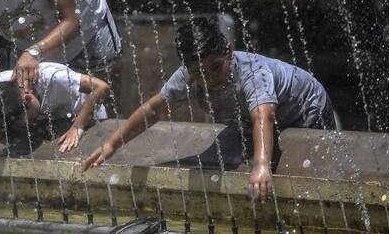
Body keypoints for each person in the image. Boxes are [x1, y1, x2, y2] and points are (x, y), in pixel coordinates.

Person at [83, 17, 335, 202]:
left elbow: (263, 116)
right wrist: (112, 144)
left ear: (228, 51)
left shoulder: (253, 73)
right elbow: (153, 110)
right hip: (253, 121)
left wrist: (261, 165)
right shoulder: (186, 77)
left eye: (215, 67)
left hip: (306, 109)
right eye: (198, 73)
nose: (208, 78)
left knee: (303, 166)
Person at [0, 62, 111, 155]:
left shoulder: (55, 78)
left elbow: (102, 87)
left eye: (29, 119)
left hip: (87, 113)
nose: (29, 123)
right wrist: (0, 124)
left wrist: (78, 126)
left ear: (28, 98)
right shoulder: (2, 81)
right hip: (58, 117)